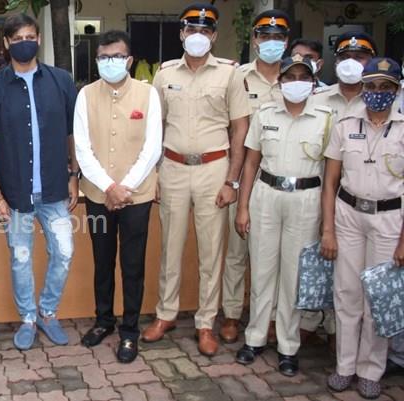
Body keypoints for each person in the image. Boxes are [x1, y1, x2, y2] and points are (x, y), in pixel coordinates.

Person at [142, 3, 251, 357]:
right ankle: (166, 314)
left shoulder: (230, 74)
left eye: (205, 30)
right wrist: (155, 171)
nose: (198, 36)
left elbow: (240, 129)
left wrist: (231, 182)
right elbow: (155, 127)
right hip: (173, 167)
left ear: (214, 36)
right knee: (170, 248)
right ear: (181, 33)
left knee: (211, 251)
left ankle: (206, 322)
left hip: (214, 169)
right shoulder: (164, 74)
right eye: (192, 29)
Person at [0, 13, 79, 351]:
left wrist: (74, 175)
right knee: (20, 257)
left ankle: (48, 311)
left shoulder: (61, 81)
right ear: (6, 43)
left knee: (64, 251)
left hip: (54, 190)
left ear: (39, 39)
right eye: (17, 38)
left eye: (30, 37)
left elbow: (72, 133)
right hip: (15, 193)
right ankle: (28, 319)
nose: (24, 43)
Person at [233, 54, 331, 376]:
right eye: (290, 77)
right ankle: (255, 338)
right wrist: (243, 207)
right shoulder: (265, 114)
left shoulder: (325, 118)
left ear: (313, 82)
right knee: (262, 271)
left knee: (293, 276)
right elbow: (251, 163)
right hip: (267, 195)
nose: (296, 83)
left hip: (305, 199)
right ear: (280, 82)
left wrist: (327, 222)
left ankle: (288, 346)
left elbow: (332, 172)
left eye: (303, 77)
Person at [73, 30, 161, 363]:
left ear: (129, 60)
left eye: (117, 57)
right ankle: (104, 320)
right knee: (103, 260)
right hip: (98, 195)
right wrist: (109, 187)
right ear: (97, 60)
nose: (110, 62)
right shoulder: (85, 95)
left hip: (137, 196)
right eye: (104, 57)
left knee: (133, 264)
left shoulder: (148, 94)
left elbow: (152, 147)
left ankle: (129, 330)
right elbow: (82, 148)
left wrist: (125, 187)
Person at [320, 57, 404, 399]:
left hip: (389, 219)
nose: (377, 92)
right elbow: (330, 181)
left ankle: (371, 369)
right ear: (363, 88)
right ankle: (344, 366)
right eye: (371, 86)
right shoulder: (345, 124)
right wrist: (328, 229)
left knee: (376, 298)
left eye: (385, 87)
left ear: (396, 90)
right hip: (349, 215)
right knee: (347, 293)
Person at [303, 31, 377, 349]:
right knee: (314, 255)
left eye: (360, 57)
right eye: (345, 57)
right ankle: (309, 321)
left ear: (371, 61)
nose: (352, 63)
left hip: (359, 193)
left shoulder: (377, 100)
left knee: (349, 267)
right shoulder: (317, 98)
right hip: (318, 187)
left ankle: (339, 329)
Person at [221, 9, 290, 345]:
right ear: (255, 40)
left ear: (286, 41)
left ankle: (272, 317)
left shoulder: (297, 80)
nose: (271, 42)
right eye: (265, 36)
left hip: (280, 180)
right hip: (243, 176)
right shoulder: (238, 77)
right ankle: (232, 314)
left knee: (274, 256)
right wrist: (231, 180)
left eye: (278, 37)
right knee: (237, 251)